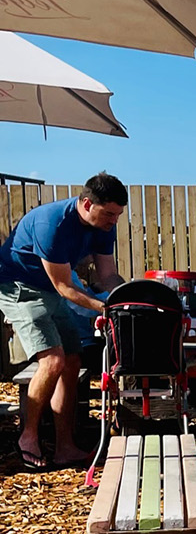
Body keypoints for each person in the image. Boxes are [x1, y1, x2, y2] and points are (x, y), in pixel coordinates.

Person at [0, 173, 127, 469]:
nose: (113, 220)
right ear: (86, 204)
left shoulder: (103, 226)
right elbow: (65, 287)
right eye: (108, 213)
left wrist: (125, 296)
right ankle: (28, 437)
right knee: (53, 360)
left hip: (48, 288)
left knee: (72, 361)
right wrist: (105, 307)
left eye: (118, 214)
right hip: (18, 287)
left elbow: (107, 275)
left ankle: (65, 447)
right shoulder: (52, 224)